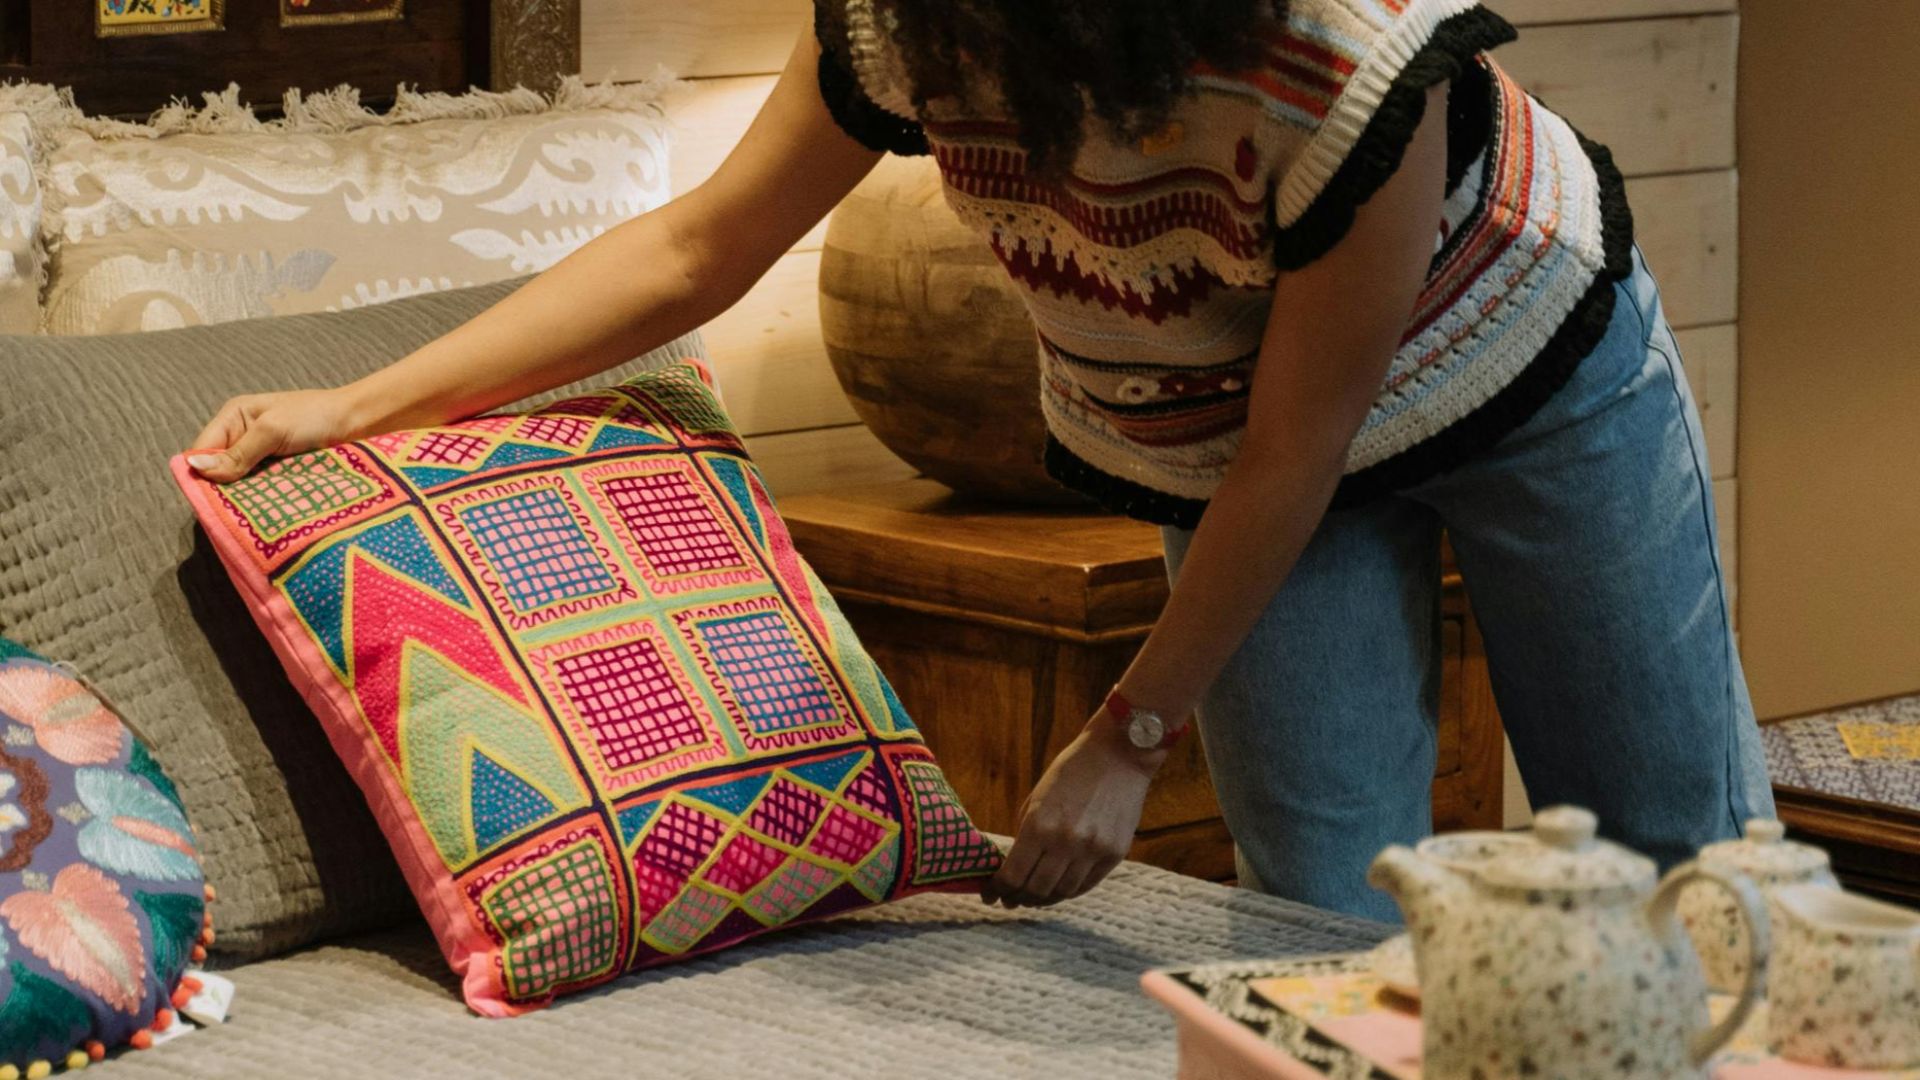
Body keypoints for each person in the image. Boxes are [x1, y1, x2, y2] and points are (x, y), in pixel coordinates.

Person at [186, 0, 1774, 922]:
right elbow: (694, 247)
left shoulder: (1342, 43)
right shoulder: (907, 18)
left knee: (1675, 865)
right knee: (1315, 918)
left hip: (1519, 365)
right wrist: (364, 402)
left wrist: (1131, 731)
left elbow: (1301, 444)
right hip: (1229, 433)